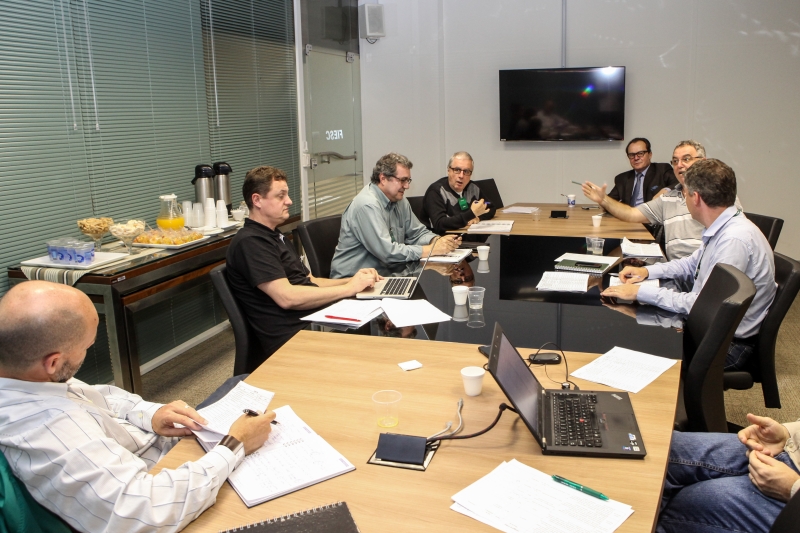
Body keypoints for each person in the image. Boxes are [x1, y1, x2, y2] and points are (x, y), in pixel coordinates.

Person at [0, 281, 277, 532]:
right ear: (53, 362)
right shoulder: (51, 430)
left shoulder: (27, 373)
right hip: (168, 478)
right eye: (87, 346)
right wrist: (235, 444)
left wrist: (151, 413)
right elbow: (147, 511)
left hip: (161, 443)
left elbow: (99, 395)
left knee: (241, 382)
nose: (89, 349)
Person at [601, 158, 775, 370]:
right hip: (713, 330)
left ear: (696, 198)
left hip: (727, 346)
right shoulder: (724, 226)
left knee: (633, 354)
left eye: (686, 194)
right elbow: (691, 264)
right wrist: (646, 271)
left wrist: (639, 293)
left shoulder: (733, 240)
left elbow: (703, 306)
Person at [226, 165, 382, 359]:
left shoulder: (274, 236)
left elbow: (310, 281)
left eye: (287, 195)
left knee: (380, 328)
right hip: (290, 340)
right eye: (280, 196)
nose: (289, 201)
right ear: (257, 200)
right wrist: (349, 288)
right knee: (373, 351)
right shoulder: (250, 243)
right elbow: (287, 297)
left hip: (310, 322)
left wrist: (355, 280)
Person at [583, 140, 742, 260]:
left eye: (686, 159)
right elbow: (632, 214)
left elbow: (732, 245)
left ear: (703, 161)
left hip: (704, 271)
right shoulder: (668, 199)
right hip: (675, 270)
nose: (679, 165)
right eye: (675, 161)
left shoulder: (719, 193)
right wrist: (604, 200)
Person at [657, 414, 800, 533]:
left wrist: (792, 487)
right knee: (662, 448)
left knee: (679, 506)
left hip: (794, 496)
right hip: (793, 455)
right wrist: (788, 433)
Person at [330, 153, 460, 278]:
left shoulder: (399, 200)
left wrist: (438, 241)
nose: (407, 186)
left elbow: (417, 233)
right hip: (351, 281)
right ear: (383, 179)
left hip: (385, 275)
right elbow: (388, 252)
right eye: (402, 180)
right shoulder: (367, 205)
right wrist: (431, 250)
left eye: (408, 180)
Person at [422, 151, 497, 235]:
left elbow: (490, 207)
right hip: (443, 242)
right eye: (457, 170)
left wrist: (478, 218)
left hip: (468, 239)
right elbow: (440, 224)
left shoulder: (473, 187)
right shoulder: (436, 191)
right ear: (448, 170)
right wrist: (471, 213)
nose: (461, 176)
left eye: (466, 171)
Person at [607, 137, 678, 207]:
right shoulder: (622, 178)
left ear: (650, 154)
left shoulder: (662, 169)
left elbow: (678, 183)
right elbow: (609, 202)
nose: (636, 158)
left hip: (652, 216)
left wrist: (666, 190)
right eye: (632, 155)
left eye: (640, 153)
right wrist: (602, 199)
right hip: (628, 216)